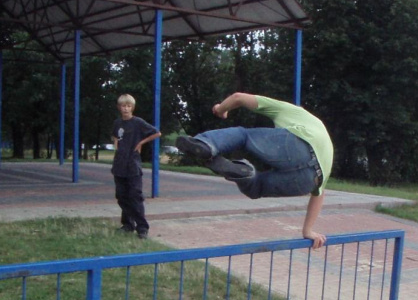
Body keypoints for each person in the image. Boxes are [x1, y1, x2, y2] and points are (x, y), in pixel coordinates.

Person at [176, 93, 333, 249]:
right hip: (310, 180)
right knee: (255, 187)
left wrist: (221, 108)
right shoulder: (323, 138)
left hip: (300, 144)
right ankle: (247, 174)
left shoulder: (287, 109)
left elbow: (239, 98)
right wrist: (308, 230)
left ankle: (206, 144)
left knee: (243, 136)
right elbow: (319, 193)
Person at [111, 94, 161, 239]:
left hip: (132, 165)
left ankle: (142, 227)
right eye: (123, 106)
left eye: (128, 106)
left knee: (135, 196)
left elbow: (156, 133)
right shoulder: (117, 123)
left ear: (132, 107)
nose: (125, 109)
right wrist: (117, 148)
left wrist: (140, 143)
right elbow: (115, 136)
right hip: (119, 165)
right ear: (119, 107)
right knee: (122, 196)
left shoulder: (138, 122)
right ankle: (127, 224)